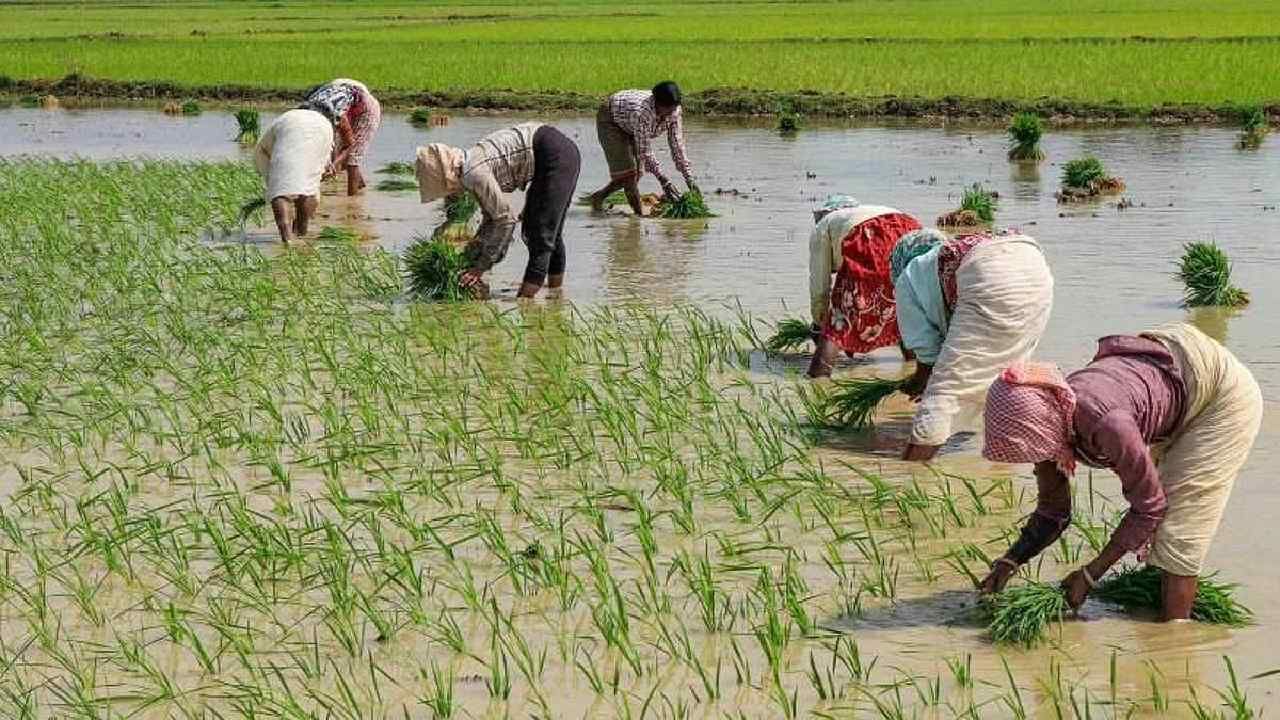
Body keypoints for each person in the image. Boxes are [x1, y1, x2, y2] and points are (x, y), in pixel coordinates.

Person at [978, 323, 1262, 620]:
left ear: (1041, 426)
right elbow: (1054, 512)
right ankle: (1152, 602)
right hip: (1172, 360)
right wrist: (1010, 561)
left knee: (1179, 531)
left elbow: (1150, 507)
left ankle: (1176, 642)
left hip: (1220, 392)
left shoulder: (1107, 424)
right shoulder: (1050, 422)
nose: (1037, 460)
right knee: (1163, 518)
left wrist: (1090, 575)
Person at [891, 229, 1054, 460]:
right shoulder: (940, 260)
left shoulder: (908, 277)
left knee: (944, 389)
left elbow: (927, 355)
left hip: (987, 270)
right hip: (1033, 264)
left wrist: (918, 382)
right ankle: (1006, 462)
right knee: (1008, 375)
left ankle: (911, 471)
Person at [415, 122, 581, 298]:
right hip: (550, 153)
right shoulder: (468, 167)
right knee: (545, 230)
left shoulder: (474, 174)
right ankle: (555, 295)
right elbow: (491, 219)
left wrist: (480, 267)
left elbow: (506, 221)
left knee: (540, 234)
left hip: (556, 155)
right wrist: (473, 255)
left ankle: (525, 303)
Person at [807, 197, 926, 378]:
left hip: (870, 237)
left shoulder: (823, 225)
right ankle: (914, 370)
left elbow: (819, 285)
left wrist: (819, 323)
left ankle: (817, 380)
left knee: (838, 321)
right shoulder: (871, 210)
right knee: (904, 309)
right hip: (911, 232)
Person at [587, 81, 697, 216]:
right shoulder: (642, 113)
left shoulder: (674, 111)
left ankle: (599, 197)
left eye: (673, 108)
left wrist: (689, 179)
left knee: (638, 173)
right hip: (611, 121)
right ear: (657, 103)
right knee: (629, 175)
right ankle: (639, 217)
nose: (670, 112)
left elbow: (677, 144)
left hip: (630, 123)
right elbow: (645, 151)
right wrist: (664, 180)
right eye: (667, 108)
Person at [254, 108, 335, 244]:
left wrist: (275, 185)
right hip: (324, 128)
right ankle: (301, 234)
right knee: (308, 188)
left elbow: (263, 153)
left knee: (280, 192)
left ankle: (288, 239)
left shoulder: (285, 120)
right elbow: (326, 160)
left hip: (292, 126)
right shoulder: (323, 122)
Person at [299, 78, 382, 196]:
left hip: (366, 108)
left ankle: (352, 200)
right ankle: (359, 185)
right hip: (348, 100)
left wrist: (333, 165)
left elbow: (350, 145)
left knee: (353, 158)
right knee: (338, 153)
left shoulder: (336, 114)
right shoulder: (304, 112)